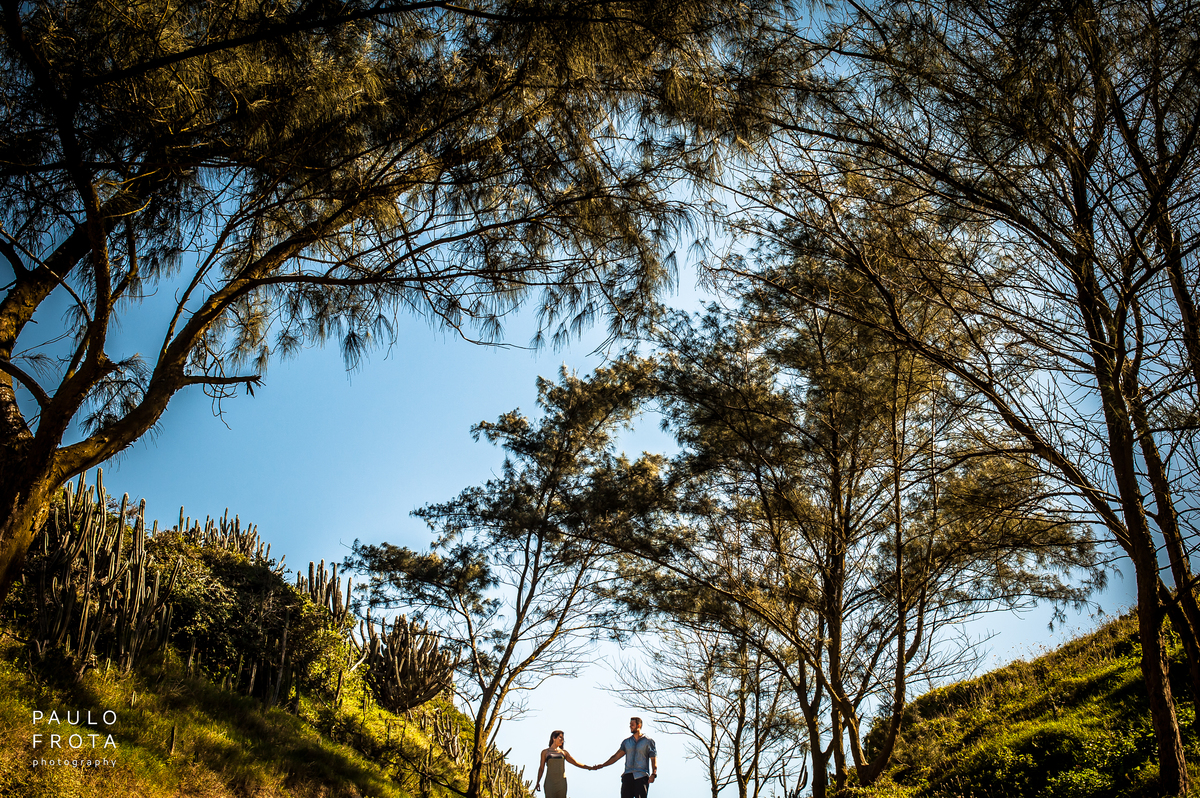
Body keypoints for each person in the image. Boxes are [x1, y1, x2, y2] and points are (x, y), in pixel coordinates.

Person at [588, 717, 658, 798]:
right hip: (628, 776)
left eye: (632, 725)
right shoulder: (626, 742)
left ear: (638, 726)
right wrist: (603, 765)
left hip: (641, 776)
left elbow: (653, 759)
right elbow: (615, 757)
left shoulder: (648, 742)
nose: (630, 726)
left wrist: (654, 773)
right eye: (630, 725)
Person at [535, 730, 587, 798]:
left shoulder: (564, 752)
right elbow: (541, 768)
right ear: (554, 738)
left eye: (563, 739)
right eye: (560, 738)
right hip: (550, 782)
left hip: (561, 782)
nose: (562, 740)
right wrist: (538, 782)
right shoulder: (545, 752)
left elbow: (575, 763)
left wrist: (590, 768)